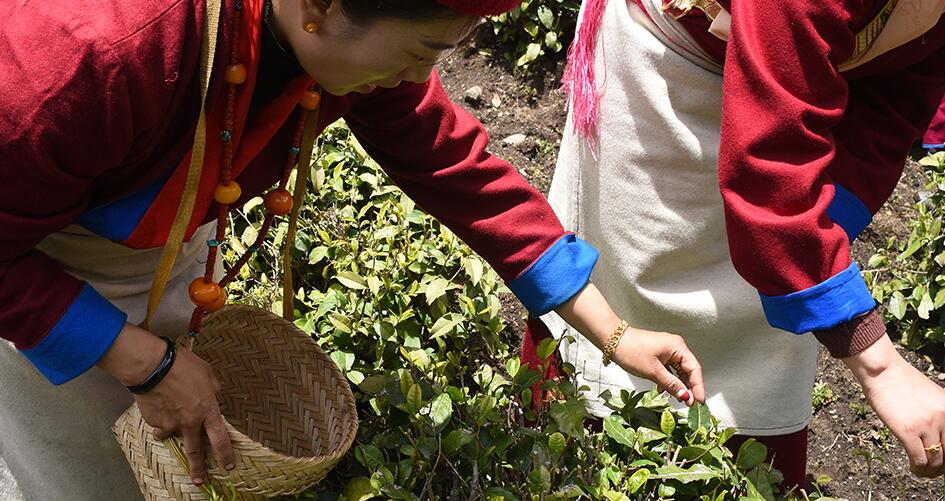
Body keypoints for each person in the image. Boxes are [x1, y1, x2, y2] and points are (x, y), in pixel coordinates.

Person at [0, 0, 711, 499]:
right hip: (26, 262)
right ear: (325, 8)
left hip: (145, 234)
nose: (416, 77)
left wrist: (611, 330)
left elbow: (449, 163)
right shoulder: (92, 54)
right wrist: (143, 361)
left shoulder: (322, 46)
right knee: (76, 465)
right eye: (421, 51)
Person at [523, 0, 945, 488]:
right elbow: (768, 171)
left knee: (773, 304)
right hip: (671, 58)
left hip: (796, 87)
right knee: (631, 291)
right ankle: (579, 469)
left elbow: (899, 95)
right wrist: (881, 367)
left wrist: (818, 233)